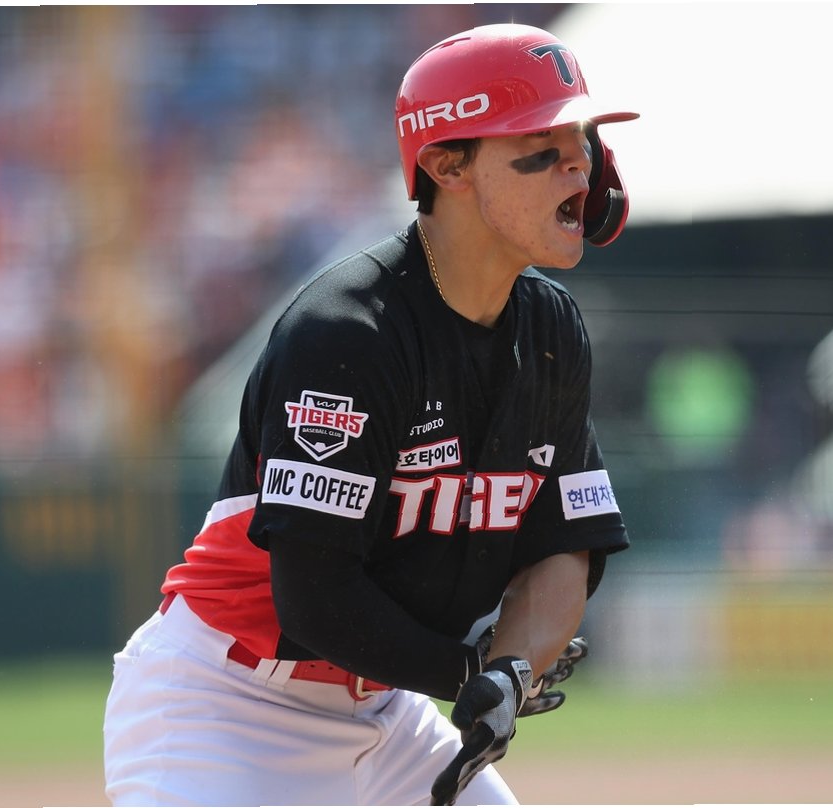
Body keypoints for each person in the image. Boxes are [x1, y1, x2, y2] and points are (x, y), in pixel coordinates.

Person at [103, 22, 637, 807]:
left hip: (386, 710)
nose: (579, 164)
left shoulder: (553, 330)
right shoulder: (349, 332)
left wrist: (507, 673)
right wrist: (466, 672)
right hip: (227, 705)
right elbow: (314, 599)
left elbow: (566, 546)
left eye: (580, 139)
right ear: (446, 165)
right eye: (541, 141)